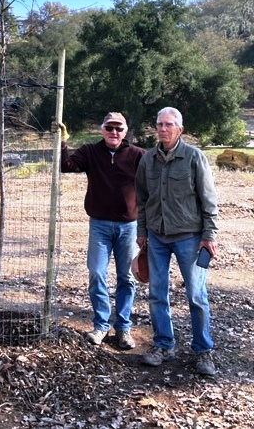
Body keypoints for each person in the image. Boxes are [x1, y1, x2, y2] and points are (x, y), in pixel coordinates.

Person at [135, 106, 218, 376]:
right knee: (157, 294)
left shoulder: (194, 157)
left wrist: (209, 236)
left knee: (196, 295)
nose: (163, 129)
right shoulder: (148, 160)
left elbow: (208, 200)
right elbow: (143, 201)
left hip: (189, 238)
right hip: (157, 238)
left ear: (179, 129)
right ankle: (163, 345)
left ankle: (203, 351)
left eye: (169, 124)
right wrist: (142, 231)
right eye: (159, 124)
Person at [53, 112, 146, 349]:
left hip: (128, 227)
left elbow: (156, 179)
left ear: (125, 132)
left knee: (126, 277)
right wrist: (62, 142)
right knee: (96, 273)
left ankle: (123, 328)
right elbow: (66, 166)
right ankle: (101, 325)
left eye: (118, 128)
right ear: (102, 130)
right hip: (100, 226)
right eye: (109, 128)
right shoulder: (90, 152)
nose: (113, 132)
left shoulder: (137, 155)